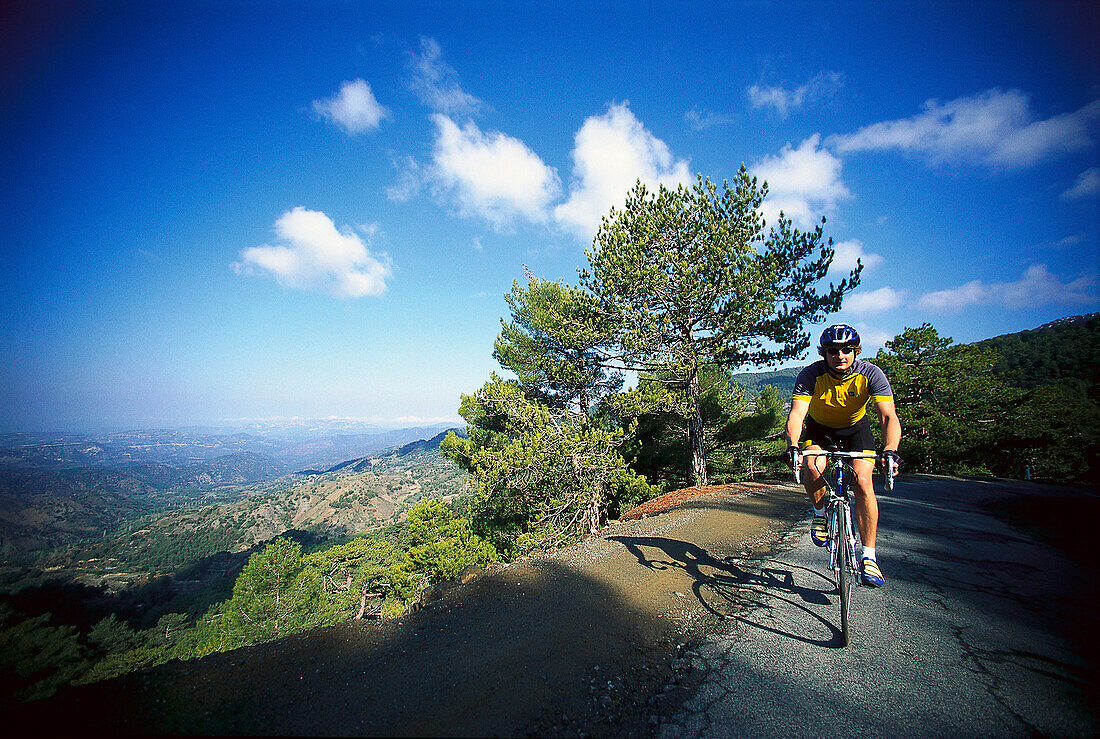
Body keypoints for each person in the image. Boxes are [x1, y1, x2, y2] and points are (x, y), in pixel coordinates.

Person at [784, 324, 901, 587]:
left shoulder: (871, 374)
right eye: (833, 351)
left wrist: (891, 449)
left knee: (862, 481)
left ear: (856, 351)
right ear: (824, 353)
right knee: (812, 466)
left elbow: (887, 416)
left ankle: (869, 556)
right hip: (820, 429)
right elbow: (797, 415)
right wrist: (793, 445)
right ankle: (819, 512)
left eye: (847, 350)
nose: (841, 356)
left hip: (856, 431)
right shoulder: (811, 374)